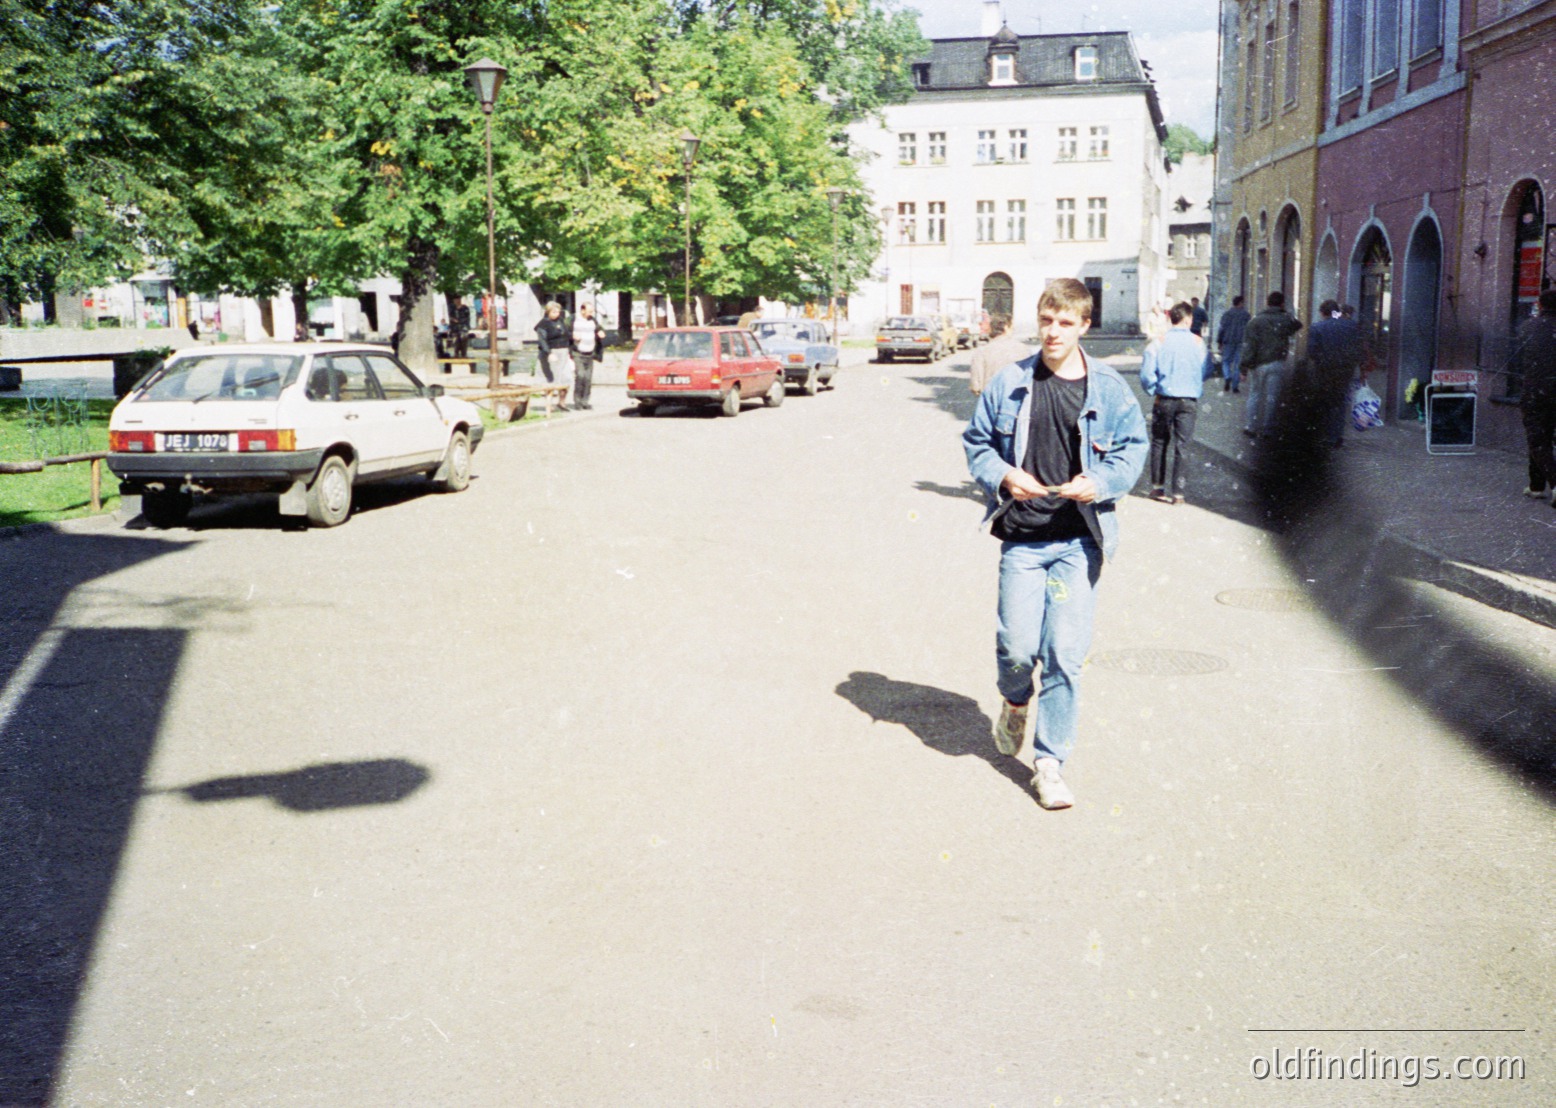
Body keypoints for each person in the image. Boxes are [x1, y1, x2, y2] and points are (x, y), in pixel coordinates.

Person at [963, 278, 1148, 810]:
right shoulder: (1010, 382)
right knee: (1018, 650)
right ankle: (1015, 701)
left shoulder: (1109, 388)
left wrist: (1103, 482)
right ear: (1037, 320)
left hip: (1076, 542)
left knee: (1064, 654)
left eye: (1066, 323)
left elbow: (1131, 450)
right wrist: (1002, 475)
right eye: (1047, 320)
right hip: (1023, 539)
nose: (1053, 332)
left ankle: (1049, 764)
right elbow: (977, 443)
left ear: (1084, 325)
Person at [1139, 302, 1204, 503]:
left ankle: (1157, 487)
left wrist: (1153, 389)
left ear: (1171, 319)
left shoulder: (1158, 342)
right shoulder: (1198, 342)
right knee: (1183, 446)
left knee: (1159, 442)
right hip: (1189, 400)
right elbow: (1207, 368)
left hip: (1164, 399)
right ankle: (1178, 493)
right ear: (1188, 319)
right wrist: (1193, 383)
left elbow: (1147, 374)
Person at [1511, 289, 1556, 505]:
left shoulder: (1528, 327)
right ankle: (1536, 485)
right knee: (1544, 437)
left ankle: (1553, 483)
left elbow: (1518, 358)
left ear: (1540, 304)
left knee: (1538, 438)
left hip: (1535, 390)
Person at [1240, 290, 1302, 438]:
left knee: (1255, 394)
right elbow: (1298, 325)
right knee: (1272, 397)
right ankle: (1268, 429)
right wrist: (1284, 312)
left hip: (1258, 364)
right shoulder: (1285, 319)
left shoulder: (1255, 321)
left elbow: (1249, 346)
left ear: (1267, 303)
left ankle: (1251, 426)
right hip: (1277, 362)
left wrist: (1243, 367)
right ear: (1281, 304)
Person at [1305, 298, 1364, 447]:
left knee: (1325, 403)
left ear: (1323, 313)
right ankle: (1337, 436)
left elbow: (1312, 352)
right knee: (1340, 403)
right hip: (1345, 370)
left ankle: (1326, 435)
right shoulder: (1351, 326)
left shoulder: (1317, 327)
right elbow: (1358, 348)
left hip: (1324, 371)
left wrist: (1323, 359)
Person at [967, 312, 1029, 395]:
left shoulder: (982, 352)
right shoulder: (1024, 350)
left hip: (990, 400)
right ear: (1006, 327)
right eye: (1012, 327)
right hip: (1017, 401)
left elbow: (975, 386)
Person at [534, 301, 571, 407]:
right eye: (554, 312)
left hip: (563, 352)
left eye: (558, 312)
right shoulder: (543, 324)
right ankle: (548, 405)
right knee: (551, 380)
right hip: (551, 353)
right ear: (548, 311)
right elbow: (542, 340)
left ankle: (562, 402)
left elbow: (566, 335)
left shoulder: (561, 321)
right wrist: (549, 353)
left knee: (566, 378)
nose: (557, 314)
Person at [570, 301, 605, 410]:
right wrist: (572, 336)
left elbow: (599, 328)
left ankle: (585, 402)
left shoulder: (592, 319)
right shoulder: (573, 319)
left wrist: (601, 332)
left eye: (592, 311)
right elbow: (564, 331)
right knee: (580, 376)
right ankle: (578, 402)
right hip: (578, 352)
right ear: (582, 310)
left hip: (590, 352)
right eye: (589, 311)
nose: (591, 313)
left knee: (588, 378)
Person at [1215, 295, 1250, 393]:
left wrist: (1219, 341)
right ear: (1240, 303)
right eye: (1243, 302)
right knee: (1238, 364)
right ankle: (1235, 386)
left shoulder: (1227, 314)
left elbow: (1221, 328)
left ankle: (1227, 376)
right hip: (1240, 342)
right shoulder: (1246, 315)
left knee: (1226, 362)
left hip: (1228, 341)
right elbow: (1249, 330)